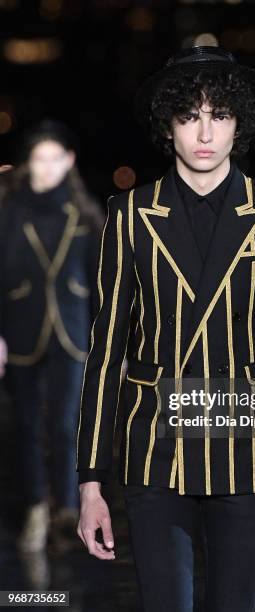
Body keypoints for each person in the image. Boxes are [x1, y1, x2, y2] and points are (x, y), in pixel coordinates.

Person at [76, 46, 255, 612]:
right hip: (154, 453)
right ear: (169, 126)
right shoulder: (130, 214)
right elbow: (106, 349)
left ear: (240, 123)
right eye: (190, 116)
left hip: (247, 448)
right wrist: (90, 480)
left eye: (220, 115)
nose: (205, 132)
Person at [0, 120, 104, 552]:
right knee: (26, 423)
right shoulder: (9, 208)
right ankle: (35, 506)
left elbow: (103, 278)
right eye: (39, 158)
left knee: (65, 424)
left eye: (54, 158)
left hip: (73, 330)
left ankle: (65, 505)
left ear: (69, 161)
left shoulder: (84, 212)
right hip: (20, 326)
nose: (45, 168)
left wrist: (105, 334)